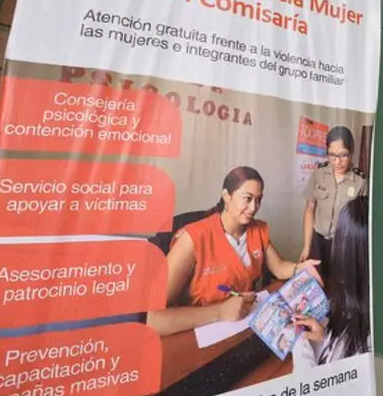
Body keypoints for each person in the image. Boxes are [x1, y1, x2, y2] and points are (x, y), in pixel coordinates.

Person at [147, 166, 319, 336]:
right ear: (226, 196)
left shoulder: (257, 230)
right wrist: (220, 311)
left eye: (258, 199)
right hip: (198, 333)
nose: (254, 208)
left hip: (241, 326)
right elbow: (152, 319)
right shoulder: (193, 238)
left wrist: (301, 268)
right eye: (247, 198)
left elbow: (279, 267)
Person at [291, 195, 371, 371]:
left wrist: (299, 344)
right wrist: (325, 336)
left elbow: (314, 392)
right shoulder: (361, 315)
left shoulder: (363, 342)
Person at [299, 126, 367, 280]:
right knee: (316, 284)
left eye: (343, 155)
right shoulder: (319, 174)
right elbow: (310, 209)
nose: (337, 161)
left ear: (351, 152)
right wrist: (306, 246)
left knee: (340, 286)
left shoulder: (360, 182)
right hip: (318, 242)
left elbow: (360, 224)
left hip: (344, 245)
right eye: (332, 155)